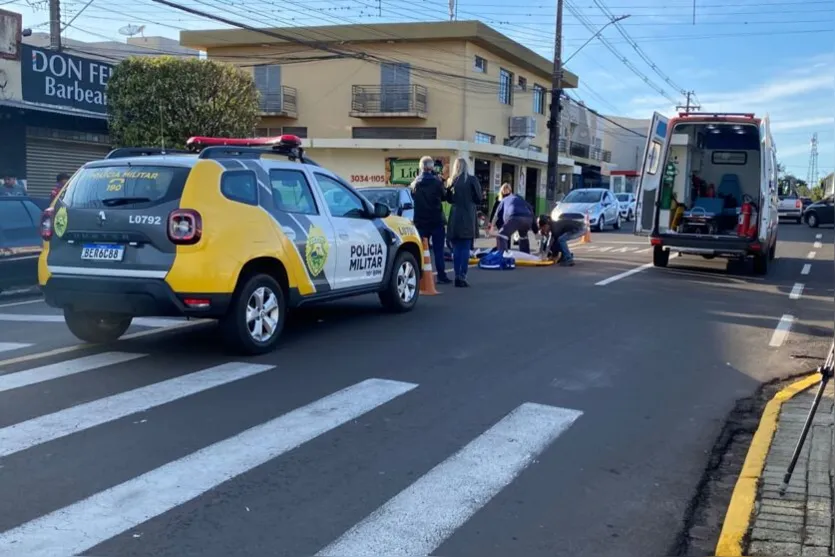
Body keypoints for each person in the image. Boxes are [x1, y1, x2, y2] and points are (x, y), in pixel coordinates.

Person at [410, 156, 451, 284]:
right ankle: (441, 276)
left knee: (420, 250)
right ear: (432, 167)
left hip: (420, 220)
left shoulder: (414, 183)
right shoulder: (437, 182)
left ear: (421, 167)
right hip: (436, 219)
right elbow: (444, 196)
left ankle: (419, 276)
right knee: (439, 250)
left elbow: (413, 197)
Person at [445, 157, 482, 288]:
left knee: (456, 248)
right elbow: (479, 198)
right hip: (468, 215)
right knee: (465, 247)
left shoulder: (451, 181)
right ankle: (462, 276)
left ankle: (456, 275)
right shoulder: (471, 180)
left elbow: (448, 199)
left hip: (455, 216)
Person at [491, 184, 534, 253]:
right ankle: (525, 255)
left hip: (515, 218)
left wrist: (491, 227)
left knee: (501, 235)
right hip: (528, 219)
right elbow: (530, 207)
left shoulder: (503, 200)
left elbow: (496, 215)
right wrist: (535, 227)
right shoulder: (518, 197)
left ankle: (502, 256)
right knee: (523, 237)